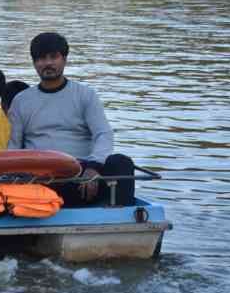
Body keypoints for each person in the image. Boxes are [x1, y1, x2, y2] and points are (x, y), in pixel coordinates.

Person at [7, 32, 135, 207]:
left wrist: (92, 169)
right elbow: (13, 146)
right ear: (34, 63)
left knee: (121, 162)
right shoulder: (21, 101)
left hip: (82, 177)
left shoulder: (85, 95)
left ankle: (123, 221)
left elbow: (103, 134)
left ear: (64, 59)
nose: (48, 63)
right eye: (41, 59)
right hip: (41, 179)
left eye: (54, 57)